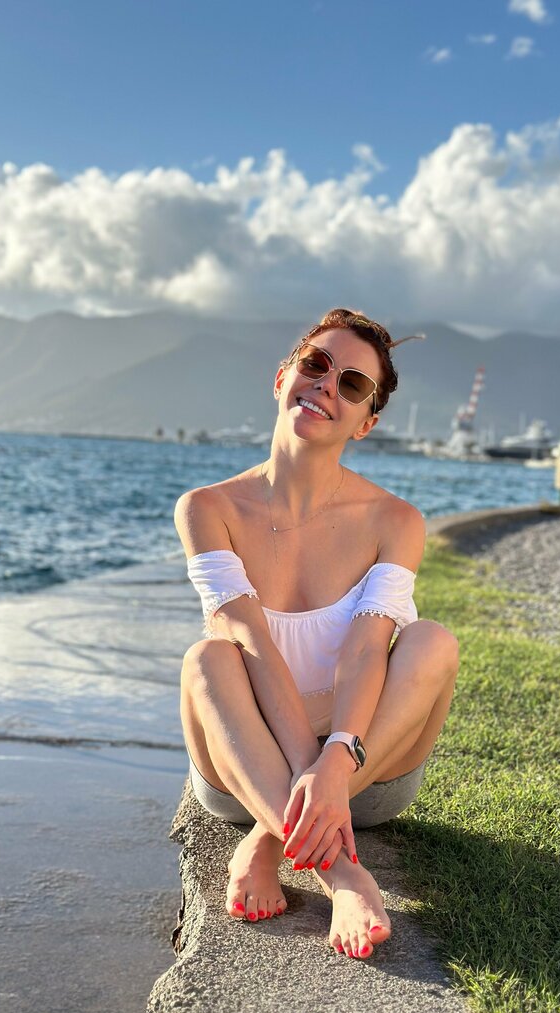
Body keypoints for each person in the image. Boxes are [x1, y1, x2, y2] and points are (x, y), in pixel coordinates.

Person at [174, 307, 459, 961]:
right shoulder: (207, 509)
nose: (327, 384)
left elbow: (366, 650)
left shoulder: (395, 520)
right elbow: (252, 647)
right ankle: (343, 876)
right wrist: (314, 787)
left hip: (364, 777)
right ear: (283, 378)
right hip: (241, 774)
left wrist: (333, 765)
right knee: (209, 657)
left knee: (433, 642)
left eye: (353, 384)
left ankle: (269, 839)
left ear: (366, 422)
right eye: (316, 364)